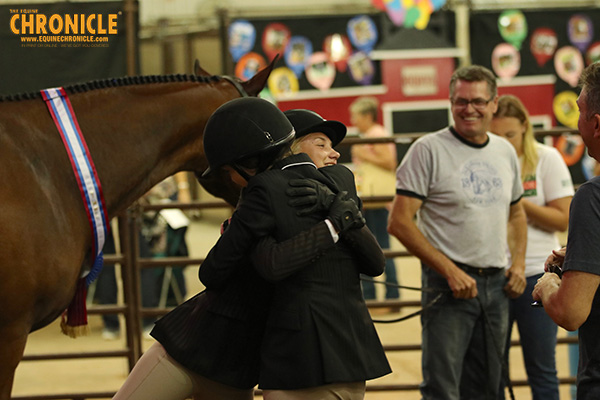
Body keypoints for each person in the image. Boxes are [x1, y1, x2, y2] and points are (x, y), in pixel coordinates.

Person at [112, 99, 389, 399]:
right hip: (207, 346)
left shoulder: (330, 187)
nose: (333, 154)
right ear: (292, 148)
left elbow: (373, 261)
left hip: (240, 364)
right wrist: (335, 222)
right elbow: (267, 264)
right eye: (321, 144)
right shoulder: (270, 196)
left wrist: (339, 213)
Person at [388, 65, 528, 400]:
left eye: (478, 101)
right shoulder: (428, 150)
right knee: (442, 387)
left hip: (497, 286)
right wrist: (449, 271)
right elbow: (400, 221)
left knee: (490, 386)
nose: (469, 109)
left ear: (494, 103)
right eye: (461, 101)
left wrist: (519, 264)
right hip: (448, 287)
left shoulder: (504, 151)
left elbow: (517, 212)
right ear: (450, 102)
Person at [490, 95, 574, 400]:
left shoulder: (546, 158)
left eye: (510, 135)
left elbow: (562, 218)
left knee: (541, 369)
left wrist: (516, 202)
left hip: (536, 275)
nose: (504, 142)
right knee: (490, 372)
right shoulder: (483, 162)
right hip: (492, 274)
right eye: (496, 135)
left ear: (525, 128)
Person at [532, 62, 600, 399]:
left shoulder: (592, 198)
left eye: (580, 112)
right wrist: (583, 257)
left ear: (596, 123)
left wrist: (548, 286)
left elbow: (571, 312)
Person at [349, 96, 400, 305]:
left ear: (367, 116)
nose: (353, 120)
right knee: (374, 246)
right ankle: (379, 296)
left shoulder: (376, 134)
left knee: (381, 246)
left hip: (377, 199)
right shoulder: (371, 134)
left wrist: (362, 152)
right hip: (370, 197)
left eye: (356, 116)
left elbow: (389, 163)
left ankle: (390, 297)